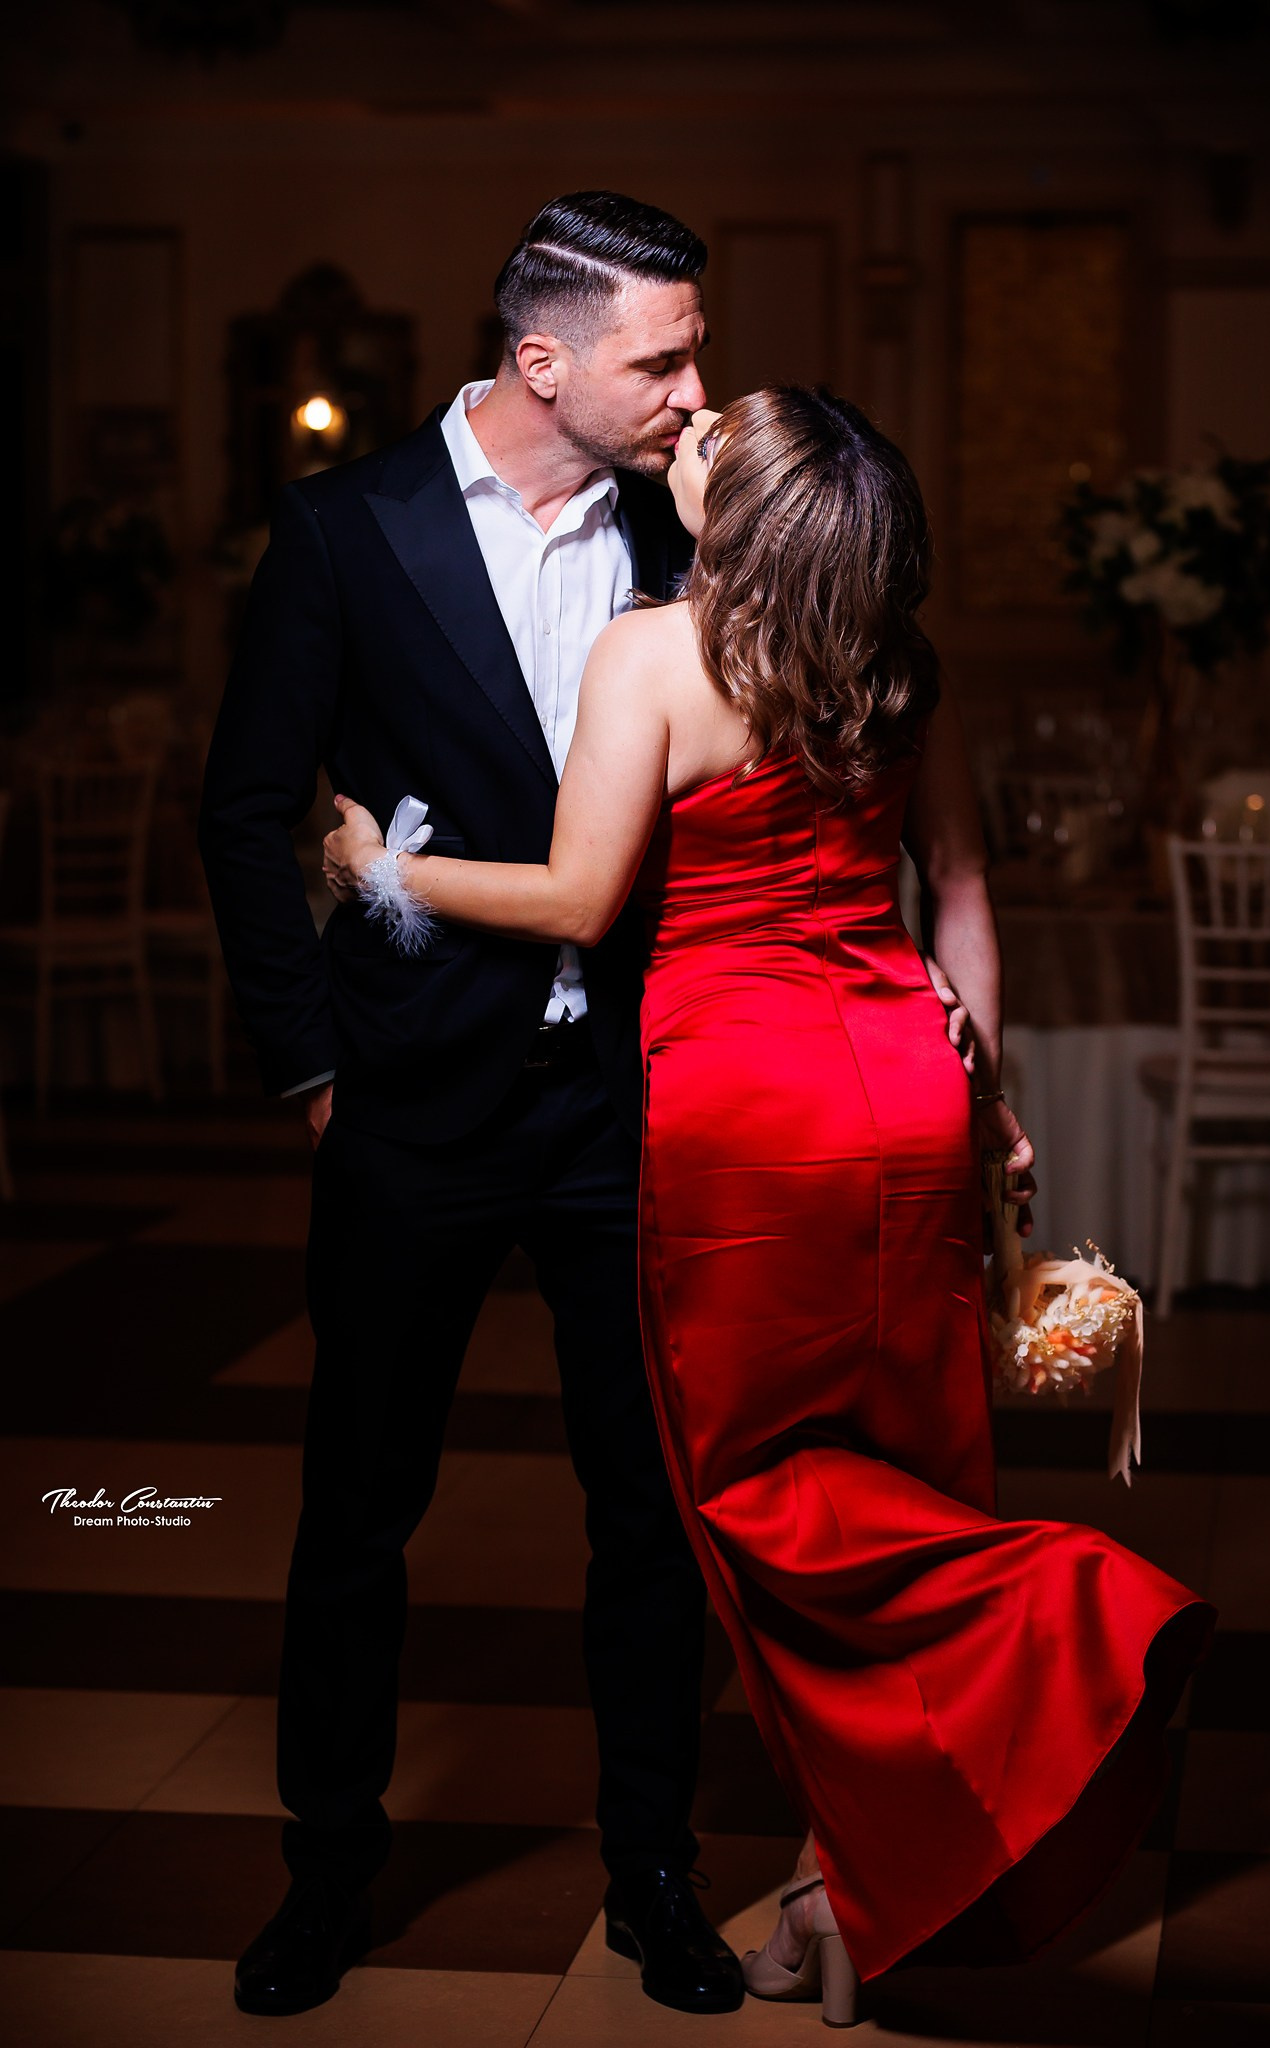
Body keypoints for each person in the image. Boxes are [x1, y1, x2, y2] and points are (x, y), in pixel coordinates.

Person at [323, 385, 1218, 2026]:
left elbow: (578, 900)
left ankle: (1070, 1605)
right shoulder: (898, 666)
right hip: (904, 1087)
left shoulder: (652, 655)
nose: (689, 427)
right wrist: (984, 1095)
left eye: (715, 432)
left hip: (744, 1111)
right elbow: (960, 885)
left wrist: (380, 870)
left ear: (743, 509)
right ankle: (841, 1893)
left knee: (747, 1500)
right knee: (905, 1459)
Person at [200, 191, 749, 2019]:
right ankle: (327, 1871)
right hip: (412, 1102)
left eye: (693, 354)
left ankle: (654, 1874)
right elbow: (246, 809)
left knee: (647, 1513)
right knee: (359, 1508)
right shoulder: (344, 528)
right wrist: (312, 1066)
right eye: (662, 360)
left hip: (627, 1097)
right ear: (542, 361)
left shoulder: (686, 531)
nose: (695, 392)